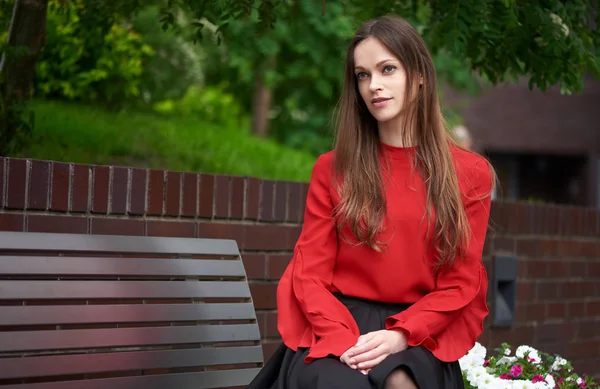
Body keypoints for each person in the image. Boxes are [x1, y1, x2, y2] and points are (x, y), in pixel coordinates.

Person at [247, 14, 495, 389]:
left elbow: (460, 283)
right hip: (336, 326)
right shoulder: (333, 169)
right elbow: (309, 274)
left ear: (421, 74)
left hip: (419, 333)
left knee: (400, 379)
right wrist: (347, 343)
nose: (374, 85)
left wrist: (401, 335)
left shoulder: (470, 173)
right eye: (363, 75)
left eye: (387, 69)